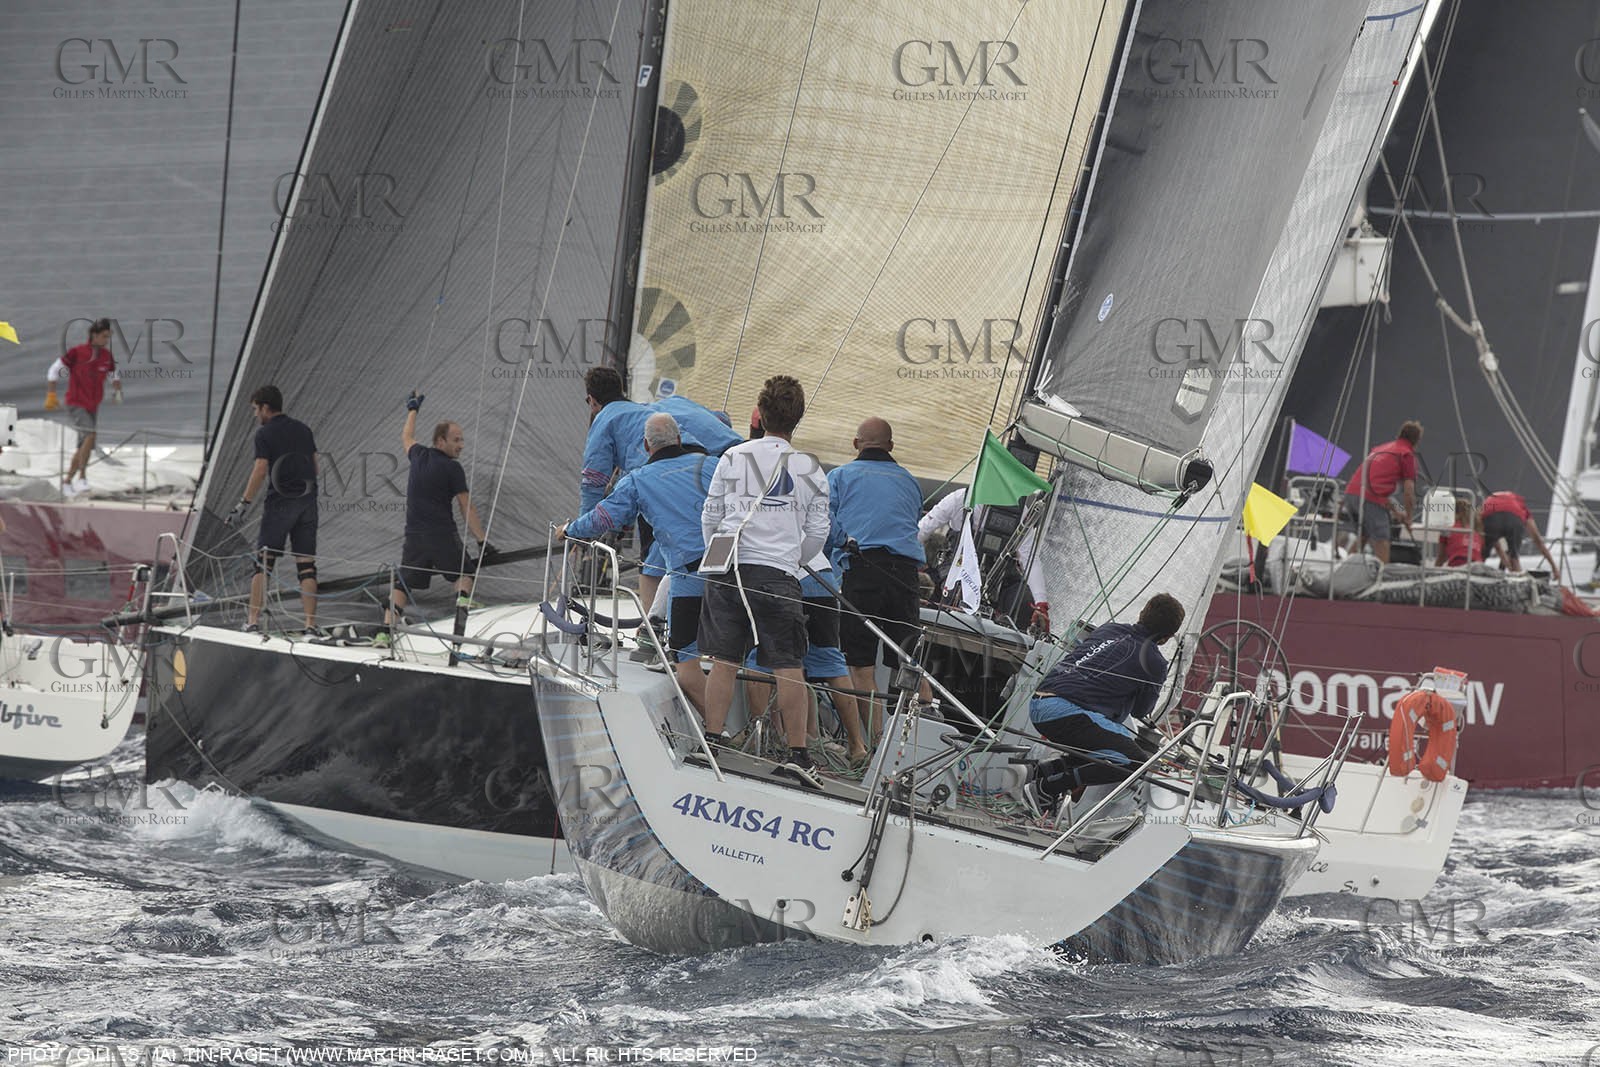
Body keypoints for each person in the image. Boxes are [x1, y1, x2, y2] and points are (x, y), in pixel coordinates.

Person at [699, 374, 829, 784]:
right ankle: (797, 754)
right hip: (779, 573)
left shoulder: (733, 457)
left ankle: (711, 741)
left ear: (762, 412)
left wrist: (721, 552)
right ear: (798, 418)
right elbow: (818, 533)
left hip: (729, 568)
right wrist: (791, 559)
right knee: (788, 664)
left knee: (724, 660)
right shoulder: (810, 468)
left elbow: (711, 517)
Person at [559, 412, 715, 710]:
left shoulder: (638, 480)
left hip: (687, 580)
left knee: (686, 665)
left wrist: (569, 530)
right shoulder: (713, 465)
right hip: (732, 576)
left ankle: (718, 732)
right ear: (679, 440)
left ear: (646, 446)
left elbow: (602, 519)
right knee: (731, 658)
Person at [580, 367, 741, 610]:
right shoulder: (657, 408)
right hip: (710, 465)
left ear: (592, 400)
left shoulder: (606, 419)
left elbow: (594, 479)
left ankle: (651, 628)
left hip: (660, 476)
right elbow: (718, 420)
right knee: (703, 546)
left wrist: (585, 528)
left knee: (653, 563)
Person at [1025, 593, 1186, 812]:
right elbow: (1142, 711)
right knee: (1136, 762)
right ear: (1167, 637)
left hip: (1037, 704)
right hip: (1065, 712)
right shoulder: (1155, 663)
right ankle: (1047, 788)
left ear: (1141, 613)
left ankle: (1041, 772)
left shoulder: (1108, 629)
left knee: (1109, 747)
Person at [826, 417, 925, 736]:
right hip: (905, 577)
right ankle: (918, 740)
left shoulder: (839, 477)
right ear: (891, 447)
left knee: (860, 664)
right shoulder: (910, 481)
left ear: (856, 444)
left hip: (862, 570)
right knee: (908, 662)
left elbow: (824, 524)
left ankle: (875, 744)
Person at [379, 392, 493, 644]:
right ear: (440, 441)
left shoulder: (418, 455)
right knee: (465, 570)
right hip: (441, 535)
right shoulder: (453, 468)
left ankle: (384, 633)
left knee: (402, 584)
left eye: (462, 440)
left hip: (414, 537)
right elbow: (467, 507)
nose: (461, 445)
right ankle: (461, 624)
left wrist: (412, 410)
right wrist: (482, 540)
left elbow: (406, 437)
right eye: (456, 440)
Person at [223, 385, 319, 634]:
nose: (256, 415)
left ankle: (252, 621)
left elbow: (261, 469)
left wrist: (243, 504)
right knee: (306, 565)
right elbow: (316, 467)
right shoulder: (304, 429)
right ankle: (310, 625)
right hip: (308, 503)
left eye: (256, 409)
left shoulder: (264, 433)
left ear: (266, 407)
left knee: (262, 564)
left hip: (280, 505)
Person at [918, 487, 1050, 631]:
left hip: (1002, 576)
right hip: (957, 565)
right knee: (954, 591)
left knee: (1024, 602)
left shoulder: (1021, 512)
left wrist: (1040, 603)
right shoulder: (960, 498)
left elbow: (1030, 558)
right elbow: (922, 531)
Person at [46, 318, 123, 497]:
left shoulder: (106, 356)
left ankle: (68, 481)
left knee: (84, 445)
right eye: (104, 336)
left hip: (92, 404)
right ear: (94, 335)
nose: (106, 340)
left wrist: (117, 390)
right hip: (76, 402)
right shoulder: (77, 352)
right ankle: (82, 477)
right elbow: (53, 370)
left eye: (108, 337)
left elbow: (113, 374)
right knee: (90, 435)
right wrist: (51, 394)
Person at [1340, 421, 1423, 564]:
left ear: (1400, 434)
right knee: (1382, 540)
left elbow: (1377, 486)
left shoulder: (1381, 448)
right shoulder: (1406, 454)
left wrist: (1397, 511)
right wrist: (1409, 517)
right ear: (1416, 441)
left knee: (1364, 535)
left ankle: (1342, 570)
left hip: (1351, 494)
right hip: (1369, 498)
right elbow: (1409, 492)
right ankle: (1381, 579)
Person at [1481, 489, 1560, 579]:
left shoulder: (1494, 501)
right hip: (1513, 517)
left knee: (1481, 557)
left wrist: (1506, 563)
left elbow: (1496, 543)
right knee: (1514, 559)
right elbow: (1538, 540)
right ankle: (1519, 583)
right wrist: (1554, 567)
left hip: (1490, 513)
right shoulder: (1521, 507)